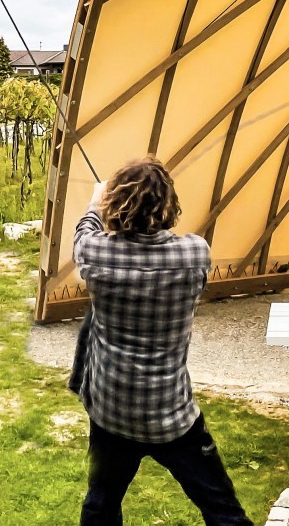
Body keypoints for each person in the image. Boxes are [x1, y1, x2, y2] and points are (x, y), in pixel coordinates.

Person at [70, 157, 251, 526]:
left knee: (101, 506)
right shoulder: (195, 253)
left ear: (116, 204)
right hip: (172, 415)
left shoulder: (95, 253)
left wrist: (95, 200)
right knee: (224, 513)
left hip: (112, 410)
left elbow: (84, 232)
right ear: (168, 204)